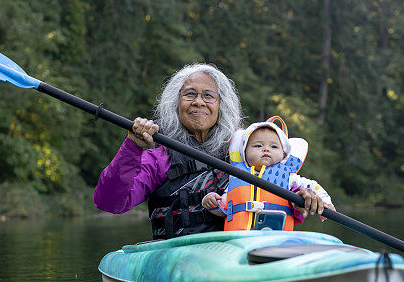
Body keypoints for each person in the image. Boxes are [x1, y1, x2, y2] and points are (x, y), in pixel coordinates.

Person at [93, 64, 325, 239]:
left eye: (208, 96)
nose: (199, 102)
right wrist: (131, 147)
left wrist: (300, 196)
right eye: (190, 94)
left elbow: (279, 183)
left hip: (234, 250)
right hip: (178, 255)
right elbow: (110, 202)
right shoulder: (158, 156)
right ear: (176, 103)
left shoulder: (243, 151)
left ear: (221, 104)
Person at [202, 116, 334, 231]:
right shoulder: (236, 176)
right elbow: (226, 208)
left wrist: (326, 203)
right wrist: (213, 203)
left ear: (283, 154)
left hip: (276, 240)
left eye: (274, 146)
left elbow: (312, 186)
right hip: (239, 239)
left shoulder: (288, 177)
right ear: (245, 153)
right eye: (258, 146)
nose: (266, 149)